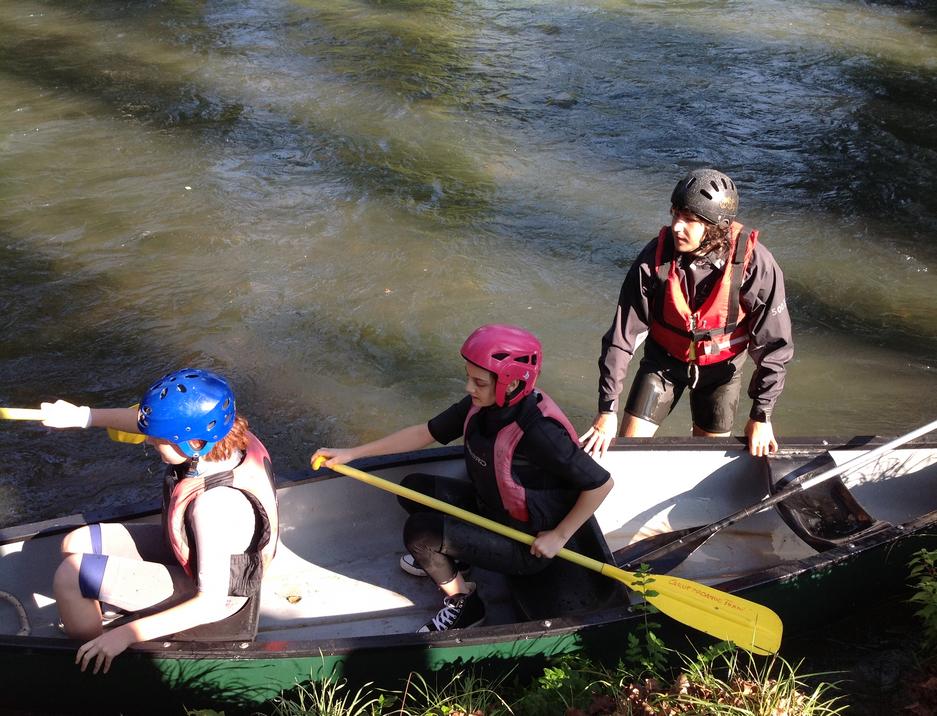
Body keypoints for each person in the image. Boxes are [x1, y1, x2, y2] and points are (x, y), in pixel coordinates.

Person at [312, 324, 613, 633]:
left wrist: (559, 536)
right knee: (413, 489)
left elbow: (601, 484)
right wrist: (352, 453)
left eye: (478, 382)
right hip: (491, 512)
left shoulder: (539, 433)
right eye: (469, 377)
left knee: (420, 533)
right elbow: (423, 432)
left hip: (528, 543)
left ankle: (465, 603)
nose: (469, 388)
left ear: (509, 384)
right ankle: (461, 561)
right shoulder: (482, 405)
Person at [42, 368, 278, 674]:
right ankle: (108, 614)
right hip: (194, 550)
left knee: (69, 576)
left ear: (194, 443)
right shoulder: (227, 435)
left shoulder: (216, 506)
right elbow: (148, 423)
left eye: (159, 440)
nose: (150, 441)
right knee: (73, 543)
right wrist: (83, 416)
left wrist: (124, 636)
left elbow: (212, 602)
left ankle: (94, 654)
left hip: (220, 599)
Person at [580, 168, 793, 459]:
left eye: (690, 220)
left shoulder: (756, 266)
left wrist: (762, 415)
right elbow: (621, 338)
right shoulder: (653, 260)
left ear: (718, 226)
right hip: (663, 365)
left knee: (706, 462)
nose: (677, 227)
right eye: (675, 214)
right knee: (627, 453)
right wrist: (607, 409)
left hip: (721, 374)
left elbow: (775, 347)